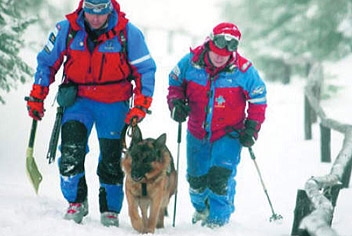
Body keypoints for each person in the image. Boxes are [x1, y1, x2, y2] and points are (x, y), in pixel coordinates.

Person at [25, 0, 156, 226]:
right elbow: (46, 63)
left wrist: (141, 104)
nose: (95, 18)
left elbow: (145, 69)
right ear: (82, 9)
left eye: (101, 13)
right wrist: (38, 95)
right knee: (70, 152)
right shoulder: (66, 29)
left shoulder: (128, 33)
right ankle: (76, 201)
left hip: (114, 103)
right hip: (78, 101)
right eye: (90, 12)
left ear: (110, 10)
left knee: (111, 158)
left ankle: (110, 209)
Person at [167, 22, 267, 228]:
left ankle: (218, 222)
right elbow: (175, 82)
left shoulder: (244, 70)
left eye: (225, 53)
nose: (220, 57)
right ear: (209, 44)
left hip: (229, 133)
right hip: (197, 131)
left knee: (220, 178)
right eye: (216, 52)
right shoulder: (190, 63)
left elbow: (259, 98)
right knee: (196, 180)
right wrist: (176, 103)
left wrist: (252, 128)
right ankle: (202, 208)